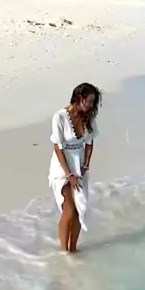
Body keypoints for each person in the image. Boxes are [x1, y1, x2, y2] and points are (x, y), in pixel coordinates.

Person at [48, 83, 101, 253]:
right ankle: (64, 252)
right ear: (79, 98)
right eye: (89, 101)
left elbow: (89, 144)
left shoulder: (88, 117)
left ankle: (73, 251)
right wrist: (69, 174)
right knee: (69, 211)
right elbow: (58, 148)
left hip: (79, 166)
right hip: (61, 166)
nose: (91, 105)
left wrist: (85, 165)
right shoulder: (60, 117)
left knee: (79, 210)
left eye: (93, 102)